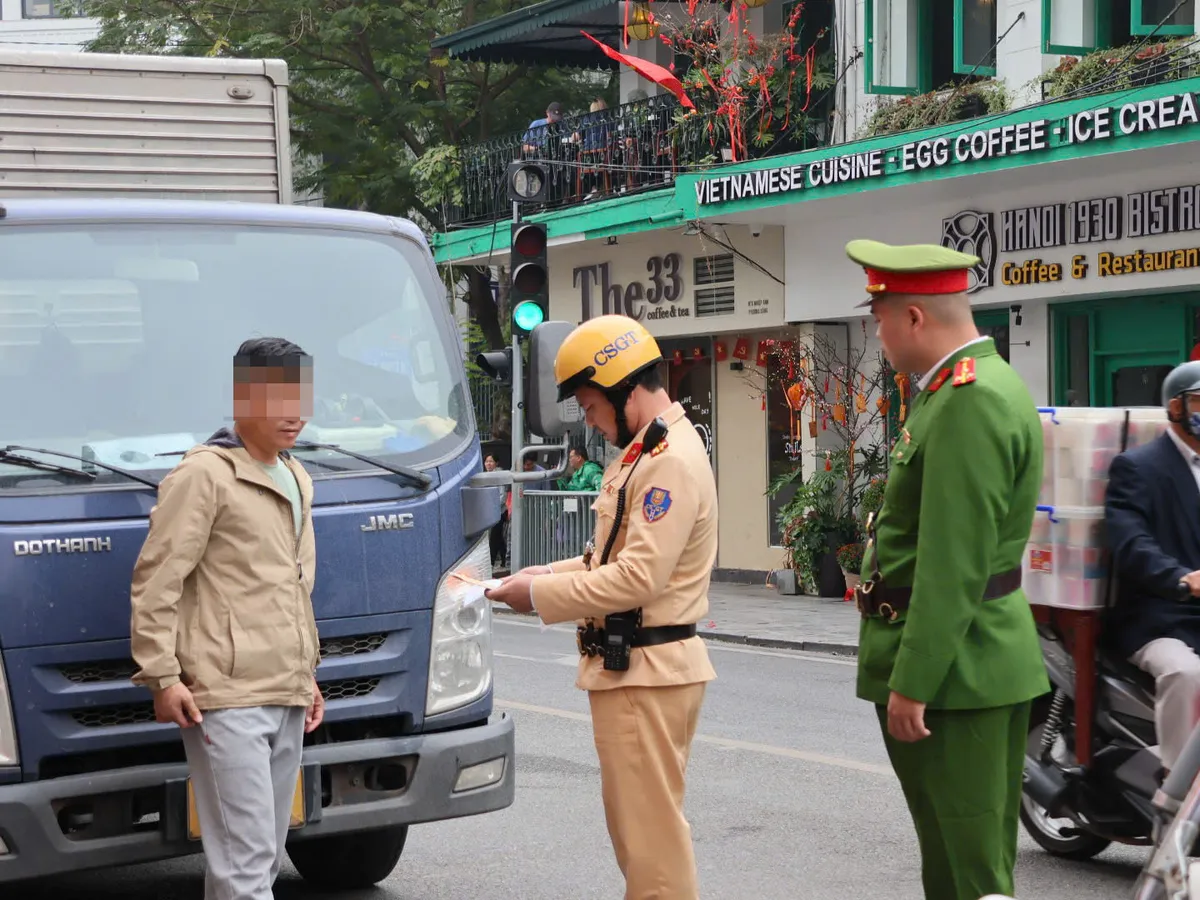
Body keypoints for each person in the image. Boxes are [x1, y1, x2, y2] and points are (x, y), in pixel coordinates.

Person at [845, 240, 1050, 900]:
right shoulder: (958, 391)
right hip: (963, 670)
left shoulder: (968, 400)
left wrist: (914, 681)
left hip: (960, 676)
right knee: (951, 863)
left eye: (879, 318)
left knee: (971, 875)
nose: (878, 334)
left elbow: (951, 563)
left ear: (913, 319)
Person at [487, 314, 717, 900]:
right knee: (641, 839)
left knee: (651, 848)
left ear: (623, 388)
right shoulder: (648, 451)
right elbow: (605, 557)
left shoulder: (667, 460)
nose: (588, 421)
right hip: (636, 670)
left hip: (647, 670)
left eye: (591, 406)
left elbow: (637, 578)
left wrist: (538, 595)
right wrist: (537, 573)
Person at [129, 336, 324, 900]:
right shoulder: (204, 475)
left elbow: (294, 587)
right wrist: (162, 677)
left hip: (285, 689)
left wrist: (307, 673)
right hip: (224, 694)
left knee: (259, 859)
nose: (295, 414)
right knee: (244, 861)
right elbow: (157, 578)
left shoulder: (297, 475)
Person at [1104, 360, 1200, 777]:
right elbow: (1131, 544)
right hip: (1159, 617)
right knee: (1186, 673)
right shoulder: (1138, 467)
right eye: (1199, 401)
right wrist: (1180, 578)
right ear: (1175, 408)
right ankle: (1175, 798)